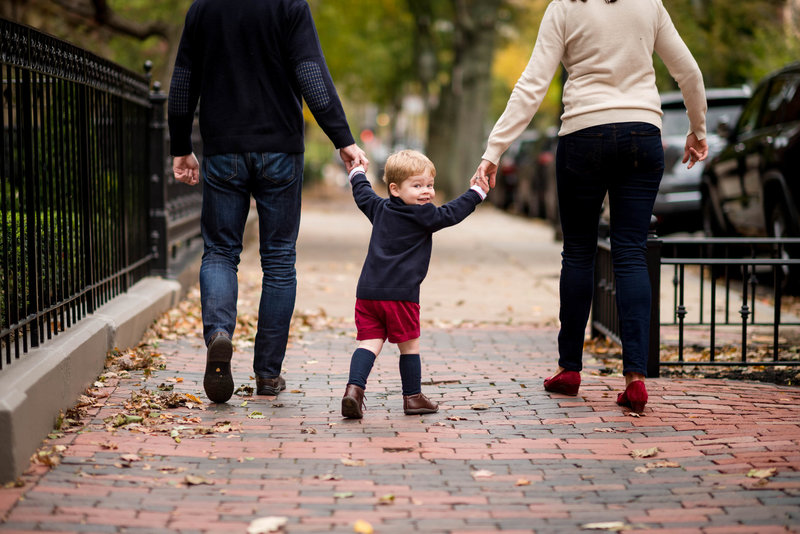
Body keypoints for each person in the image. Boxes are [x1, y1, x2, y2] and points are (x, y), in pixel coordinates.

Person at [475, 0, 708, 413]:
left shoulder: (564, 8)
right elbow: (687, 70)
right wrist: (697, 128)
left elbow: (532, 83)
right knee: (631, 252)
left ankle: (569, 370)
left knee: (579, 252)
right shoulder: (648, 5)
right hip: (642, 133)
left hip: (583, 134)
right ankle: (635, 378)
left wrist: (495, 150)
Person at [168, 0, 368, 404]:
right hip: (280, 150)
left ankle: (220, 334)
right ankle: (267, 374)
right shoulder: (289, 5)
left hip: (223, 148)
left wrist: (180, 145)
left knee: (220, 251)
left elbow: (183, 81)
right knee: (278, 259)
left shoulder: (203, 9)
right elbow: (312, 75)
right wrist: (342, 139)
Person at [341, 150, 489, 419]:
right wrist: (477, 193)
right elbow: (451, 213)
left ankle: (354, 390)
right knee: (409, 346)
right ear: (395, 189)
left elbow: (363, 194)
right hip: (402, 296)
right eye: (417, 185)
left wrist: (356, 171)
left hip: (368, 294)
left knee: (368, 343)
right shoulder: (424, 215)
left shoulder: (379, 208)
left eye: (430, 185)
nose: (426, 192)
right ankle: (412, 397)